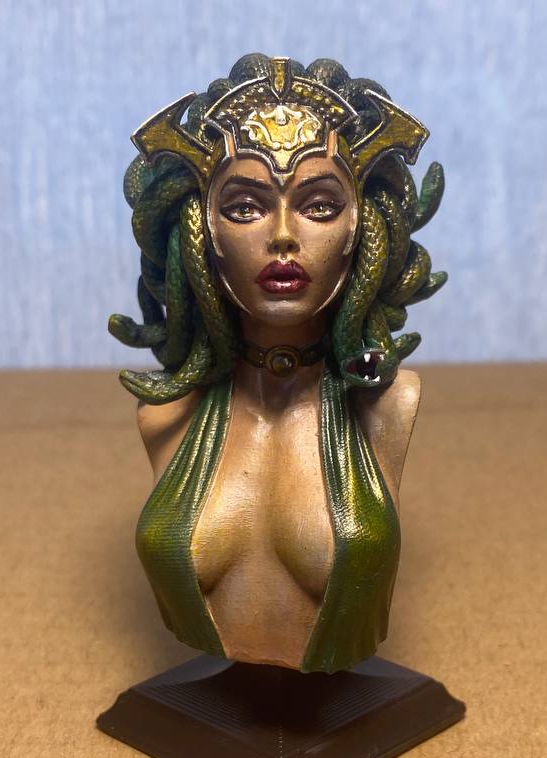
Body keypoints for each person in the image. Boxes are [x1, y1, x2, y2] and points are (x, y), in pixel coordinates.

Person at [109, 53, 446, 673]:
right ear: (201, 230)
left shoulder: (391, 404)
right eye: (246, 206)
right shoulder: (165, 415)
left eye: (319, 205)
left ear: (362, 227)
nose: (284, 235)